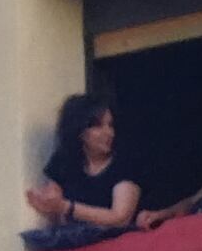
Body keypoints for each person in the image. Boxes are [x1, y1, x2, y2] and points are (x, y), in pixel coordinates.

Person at [24, 94, 140, 237]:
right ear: (79, 130)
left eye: (110, 125)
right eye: (98, 125)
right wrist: (45, 203)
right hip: (77, 250)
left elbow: (120, 218)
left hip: (120, 248)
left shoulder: (124, 163)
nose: (109, 133)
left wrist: (66, 207)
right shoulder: (63, 161)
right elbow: (55, 206)